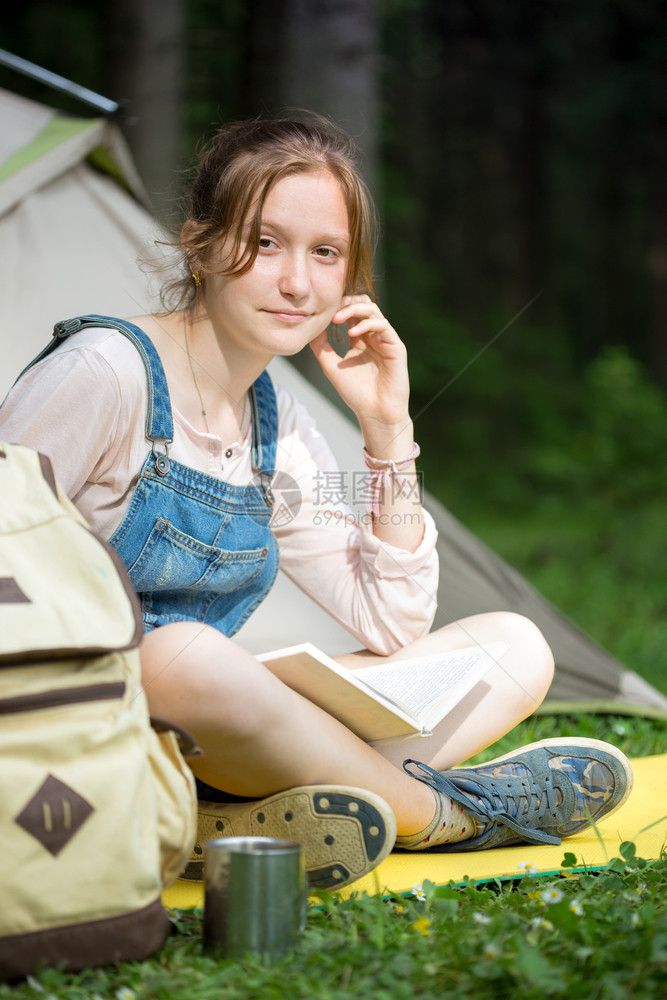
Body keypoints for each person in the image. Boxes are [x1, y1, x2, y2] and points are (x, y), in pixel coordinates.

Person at [0, 115, 632, 890]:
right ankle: (445, 815)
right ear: (198, 246)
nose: (297, 282)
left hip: (209, 740)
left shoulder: (277, 420)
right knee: (177, 656)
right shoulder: (104, 371)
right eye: (265, 243)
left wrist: (387, 430)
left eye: (324, 253)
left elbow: (390, 622)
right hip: (75, 735)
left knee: (514, 647)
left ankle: (222, 822)